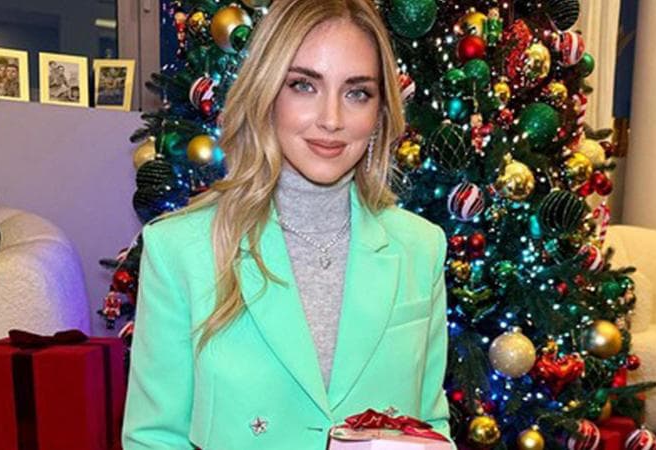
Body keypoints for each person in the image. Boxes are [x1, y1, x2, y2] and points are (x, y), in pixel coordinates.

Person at [121, 0, 454, 449]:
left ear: (380, 112)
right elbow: (154, 438)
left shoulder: (420, 247)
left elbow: (428, 426)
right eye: (303, 85)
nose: (331, 120)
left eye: (357, 93)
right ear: (266, 91)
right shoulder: (179, 249)